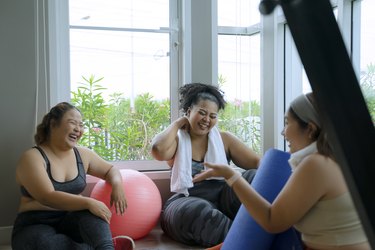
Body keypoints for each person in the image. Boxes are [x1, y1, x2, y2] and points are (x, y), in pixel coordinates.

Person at [194, 93, 370, 250]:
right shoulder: (340, 158)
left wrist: (231, 175)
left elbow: (272, 220)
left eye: (287, 123)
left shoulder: (316, 165)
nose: (282, 132)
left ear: (310, 129)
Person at [12, 102, 135, 250]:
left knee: (93, 214)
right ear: (53, 124)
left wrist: (117, 185)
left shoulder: (82, 154)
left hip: (70, 220)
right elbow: (47, 196)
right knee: (48, 244)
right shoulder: (32, 157)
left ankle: (107, 247)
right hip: (35, 223)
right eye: (72, 123)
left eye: (81, 125)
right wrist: (88, 202)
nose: (78, 129)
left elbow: (111, 170)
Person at [151, 83, 260, 247]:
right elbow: (157, 149)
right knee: (199, 211)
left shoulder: (224, 139)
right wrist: (178, 123)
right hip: (187, 199)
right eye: (201, 113)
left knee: (254, 176)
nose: (206, 120)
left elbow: (260, 164)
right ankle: (245, 242)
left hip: (223, 198)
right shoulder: (176, 141)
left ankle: (248, 235)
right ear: (189, 112)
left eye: (212, 116)